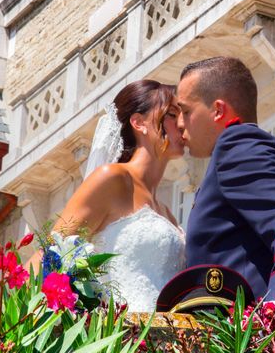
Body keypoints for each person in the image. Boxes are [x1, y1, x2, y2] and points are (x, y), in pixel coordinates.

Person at [176, 57, 275, 323]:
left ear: (218, 110)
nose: (179, 124)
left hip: (266, 340)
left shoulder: (238, 144)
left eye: (186, 111)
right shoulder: (229, 155)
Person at [32, 79, 186, 312]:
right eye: (172, 115)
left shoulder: (169, 215)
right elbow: (52, 253)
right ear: (139, 122)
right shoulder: (111, 180)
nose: (182, 124)